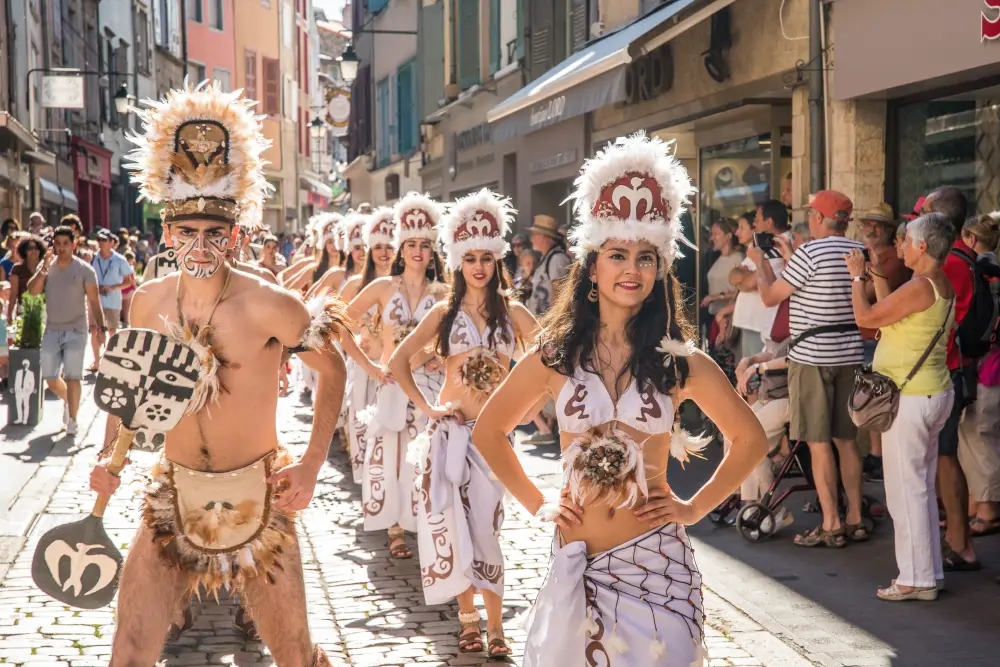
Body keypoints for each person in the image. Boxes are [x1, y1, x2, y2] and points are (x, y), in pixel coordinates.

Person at [472, 134, 768, 666]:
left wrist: (694, 506)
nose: (633, 269)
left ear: (659, 269)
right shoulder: (554, 358)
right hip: (578, 567)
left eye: (646, 257)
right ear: (592, 266)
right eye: (618, 255)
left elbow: (750, 438)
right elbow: (488, 432)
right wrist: (540, 503)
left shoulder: (680, 362)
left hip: (657, 568)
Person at [88, 81, 347, 667]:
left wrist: (309, 463)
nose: (200, 245)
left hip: (259, 499)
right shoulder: (147, 304)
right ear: (168, 235)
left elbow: (332, 371)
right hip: (173, 496)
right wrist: (111, 461)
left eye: (213, 233)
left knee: (294, 655)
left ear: (234, 234)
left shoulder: (269, 305)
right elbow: (130, 392)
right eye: (187, 232)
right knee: (127, 655)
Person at [389, 189, 539, 659]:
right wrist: (430, 409)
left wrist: (530, 411)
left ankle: (497, 627)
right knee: (452, 531)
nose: (478, 267)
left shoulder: (512, 313)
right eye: (470, 258)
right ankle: (469, 622)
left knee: (487, 532)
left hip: (493, 442)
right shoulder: (443, 313)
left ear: (497, 262)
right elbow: (398, 363)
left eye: (486, 259)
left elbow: (551, 361)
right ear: (457, 262)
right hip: (448, 436)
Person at [847, 212, 956, 600]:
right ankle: (928, 572)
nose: (901, 246)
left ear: (922, 246)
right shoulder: (933, 281)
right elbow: (890, 303)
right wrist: (876, 270)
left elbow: (866, 316)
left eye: (906, 240)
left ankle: (915, 578)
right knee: (920, 488)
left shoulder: (920, 286)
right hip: (930, 391)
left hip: (911, 399)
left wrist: (857, 277)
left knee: (904, 491)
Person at [755, 190, 867, 548]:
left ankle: (831, 523)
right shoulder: (857, 252)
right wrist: (792, 258)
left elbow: (771, 297)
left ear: (820, 218)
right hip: (849, 354)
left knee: (818, 444)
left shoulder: (810, 252)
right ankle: (856, 519)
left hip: (812, 359)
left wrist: (761, 264)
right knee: (847, 442)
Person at [346, 192, 448, 560]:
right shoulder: (383, 287)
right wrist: (368, 365)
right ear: (400, 248)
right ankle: (394, 528)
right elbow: (338, 323)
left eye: (425, 244)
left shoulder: (446, 293)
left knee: (424, 459)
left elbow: (461, 341)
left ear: (433, 249)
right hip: (391, 385)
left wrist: (443, 357)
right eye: (411, 244)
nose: (418, 251)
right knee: (391, 456)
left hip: (431, 389)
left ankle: (422, 523)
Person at [921, 187, 981, 571]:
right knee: (946, 458)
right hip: (957, 369)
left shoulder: (951, 266)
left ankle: (960, 543)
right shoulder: (964, 260)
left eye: (923, 213)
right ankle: (957, 539)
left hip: (947, 370)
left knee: (945, 461)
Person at [336, 208, 397, 481]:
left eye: (389, 246)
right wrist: (366, 367)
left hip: (395, 373)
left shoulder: (405, 288)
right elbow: (337, 329)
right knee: (363, 436)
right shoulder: (353, 287)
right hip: (363, 369)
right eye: (378, 247)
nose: (383, 253)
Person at [26, 226, 105, 436]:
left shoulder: (84, 270)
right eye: (57, 244)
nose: (61, 248)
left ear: (73, 245)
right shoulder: (48, 268)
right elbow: (32, 291)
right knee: (50, 378)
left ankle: (72, 419)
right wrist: (43, 268)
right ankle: (68, 402)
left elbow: (95, 302)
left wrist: (101, 327)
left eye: (65, 244)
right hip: (52, 330)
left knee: (73, 377)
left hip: (77, 331)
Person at [856, 203, 911, 483]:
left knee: (878, 398)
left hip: (878, 338)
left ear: (890, 231)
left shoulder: (893, 260)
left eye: (878, 225)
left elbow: (865, 294)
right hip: (867, 336)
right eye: (868, 224)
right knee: (870, 397)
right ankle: (877, 456)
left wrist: (857, 276)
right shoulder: (873, 256)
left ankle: (880, 458)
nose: (872, 229)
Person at [956, 214, 1000, 538]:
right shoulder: (991, 269)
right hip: (991, 363)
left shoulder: (981, 272)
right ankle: (976, 504)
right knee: (975, 434)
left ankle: (987, 509)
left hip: (987, 364)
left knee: (979, 434)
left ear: (969, 238)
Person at [730, 202, 789, 359]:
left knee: (755, 377)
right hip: (756, 324)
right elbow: (733, 276)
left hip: (763, 323)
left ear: (769, 222)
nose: (754, 223)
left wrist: (746, 279)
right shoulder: (761, 244)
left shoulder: (780, 246)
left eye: (757, 219)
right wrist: (745, 279)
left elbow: (752, 282)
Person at [88, 229, 135, 371]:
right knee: (94, 329)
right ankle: (96, 362)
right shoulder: (94, 258)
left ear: (112, 243)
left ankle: (109, 360)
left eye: (104, 240)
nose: (101, 243)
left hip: (113, 299)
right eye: (99, 240)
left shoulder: (119, 259)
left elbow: (129, 281)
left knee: (111, 330)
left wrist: (113, 287)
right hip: (95, 300)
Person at [701, 217, 744, 348]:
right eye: (711, 234)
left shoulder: (739, 258)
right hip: (713, 317)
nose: (712, 238)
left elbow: (741, 292)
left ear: (728, 236)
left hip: (729, 321)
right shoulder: (716, 257)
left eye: (716, 234)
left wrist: (715, 297)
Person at [6, 235, 45, 323]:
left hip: (42, 310)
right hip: (23, 310)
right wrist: (9, 315)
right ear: (24, 251)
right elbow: (14, 293)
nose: (34, 251)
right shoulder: (17, 268)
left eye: (36, 248)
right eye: (30, 248)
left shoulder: (45, 268)